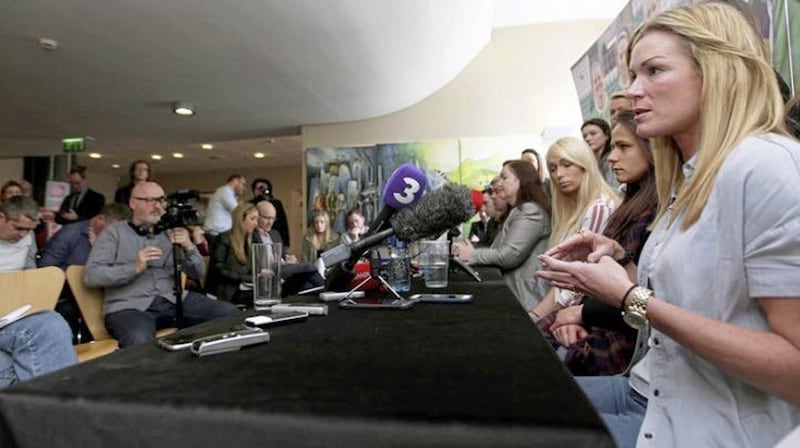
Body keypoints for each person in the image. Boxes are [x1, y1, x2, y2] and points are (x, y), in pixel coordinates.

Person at [537, 3, 800, 446]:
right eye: (632, 76)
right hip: (652, 394)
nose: (634, 91)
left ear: (716, 72)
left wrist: (628, 296)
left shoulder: (765, 167)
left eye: (654, 71)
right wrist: (619, 261)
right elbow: (704, 292)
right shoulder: (691, 176)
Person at [539, 109, 656, 376]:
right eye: (553, 168)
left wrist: (583, 313)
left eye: (623, 147)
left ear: (654, 149)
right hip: (614, 341)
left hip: (629, 359)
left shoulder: (657, 211)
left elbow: (650, 304)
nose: (611, 157)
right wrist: (580, 315)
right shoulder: (630, 206)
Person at [84, 181, 239, 348]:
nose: (157, 206)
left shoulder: (170, 232)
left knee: (231, 315)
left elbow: (198, 272)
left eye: (161, 200)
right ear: (133, 203)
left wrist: (189, 247)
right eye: (150, 200)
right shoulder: (113, 234)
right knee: (139, 340)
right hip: (129, 306)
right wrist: (134, 267)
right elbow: (91, 276)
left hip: (173, 299)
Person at [531, 137, 618, 320]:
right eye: (553, 168)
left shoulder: (598, 208)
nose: (559, 174)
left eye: (566, 164)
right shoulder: (574, 211)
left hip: (580, 316)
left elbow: (580, 281)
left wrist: (540, 317)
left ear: (583, 164)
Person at [0, 196, 78, 387]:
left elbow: (29, 273)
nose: (22, 235)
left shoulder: (28, 238)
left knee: (51, 321)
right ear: (1, 218)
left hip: (15, 310)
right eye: (18, 228)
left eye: (28, 230)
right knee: (49, 327)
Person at [452, 160, 551, 311]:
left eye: (504, 178)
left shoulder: (530, 210)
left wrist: (472, 255)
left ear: (521, 180)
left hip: (526, 300)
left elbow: (508, 256)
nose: (498, 184)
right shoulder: (517, 211)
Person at [38, 203, 131, 342]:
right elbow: (46, 270)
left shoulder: (116, 239)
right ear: (100, 219)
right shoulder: (69, 234)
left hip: (106, 295)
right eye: (114, 229)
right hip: (69, 296)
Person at [253, 200, 323, 296]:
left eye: (273, 218)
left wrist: (289, 259)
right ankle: (328, 293)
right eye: (267, 218)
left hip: (282, 268)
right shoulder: (252, 235)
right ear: (257, 215)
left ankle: (324, 299)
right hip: (268, 272)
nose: (270, 222)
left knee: (307, 285)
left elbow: (282, 254)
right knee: (309, 266)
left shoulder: (275, 234)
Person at [205, 202, 260, 305]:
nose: (256, 223)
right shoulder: (223, 239)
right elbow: (218, 269)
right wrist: (245, 279)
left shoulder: (254, 239)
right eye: (252, 219)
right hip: (224, 292)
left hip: (243, 289)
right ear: (240, 219)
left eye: (256, 219)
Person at [203, 174, 247, 246]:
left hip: (219, 234)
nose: (244, 188)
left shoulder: (227, 193)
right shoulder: (225, 191)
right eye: (243, 184)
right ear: (235, 181)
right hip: (217, 234)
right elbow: (237, 210)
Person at [249, 178, 290, 247]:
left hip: (274, 235)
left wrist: (286, 243)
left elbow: (283, 224)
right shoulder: (250, 204)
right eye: (259, 188)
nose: (262, 191)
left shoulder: (276, 203)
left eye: (264, 188)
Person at [581, 118, 619, 189]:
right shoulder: (589, 164)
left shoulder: (612, 160)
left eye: (593, 134)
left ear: (606, 135)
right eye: (585, 136)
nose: (588, 138)